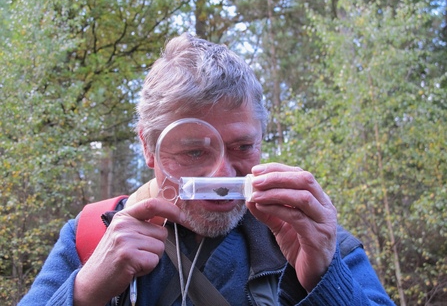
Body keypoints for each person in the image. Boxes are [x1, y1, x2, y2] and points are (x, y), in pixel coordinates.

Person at [19, 33, 395, 306]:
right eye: (195, 151)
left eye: (242, 147)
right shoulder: (89, 237)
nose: (220, 175)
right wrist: (83, 293)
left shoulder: (314, 238)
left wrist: (324, 280)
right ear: (149, 147)